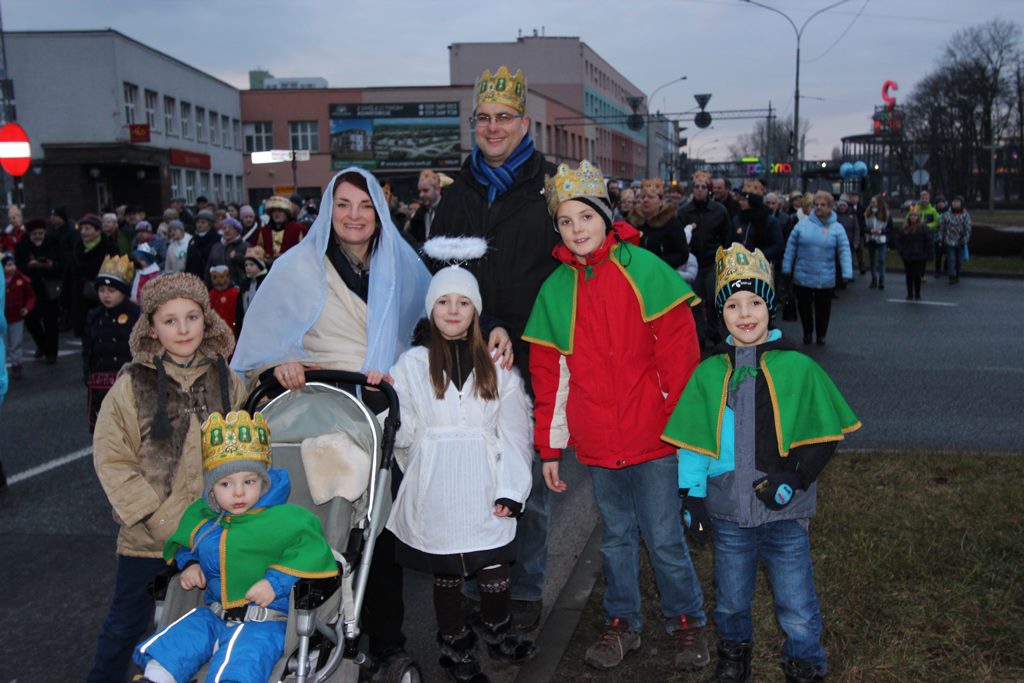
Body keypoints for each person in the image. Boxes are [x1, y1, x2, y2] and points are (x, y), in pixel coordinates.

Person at [231, 167, 432, 676]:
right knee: (315, 524)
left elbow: (430, 327)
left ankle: (386, 640)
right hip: (317, 410)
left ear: (380, 211)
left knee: (376, 536)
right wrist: (282, 362)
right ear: (328, 208)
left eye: (364, 206)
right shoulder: (299, 266)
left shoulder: (404, 266)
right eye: (343, 204)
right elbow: (267, 339)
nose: (354, 216)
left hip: (379, 411)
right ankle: (306, 627)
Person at [524, 160, 708, 672]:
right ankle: (622, 621)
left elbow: (679, 357)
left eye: (585, 216)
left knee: (665, 537)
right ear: (557, 228)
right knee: (616, 537)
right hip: (600, 443)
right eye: (566, 221)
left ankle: (688, 622)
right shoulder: (556, 289)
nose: (577, 229)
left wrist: (682, 429)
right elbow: (552, 380)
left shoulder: (645, 270)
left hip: (655, 437)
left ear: (605, 216)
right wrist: (550, 448)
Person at [664, 243, 861, 683]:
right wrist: (691, 496)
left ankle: (805, 663)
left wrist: (795, 476)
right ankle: (734, 659)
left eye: (755, 302)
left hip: (785, 515)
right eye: (733, 304)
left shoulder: (798, 368)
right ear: (721, 314)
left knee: (796, 601)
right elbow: (693, 441)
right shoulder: (710, 372)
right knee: (731, 599)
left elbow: (823, 436)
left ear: (770, 307)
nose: (745, 313)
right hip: (730, 514)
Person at [429, 65, 560, 632]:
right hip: (467, 359)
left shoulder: (550, 189)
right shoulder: (457, 197)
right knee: (469, 476)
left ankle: (524, 590)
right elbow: (442, 279)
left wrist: (516, 325)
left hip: (532, 357)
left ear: (524, 122)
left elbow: (564, 278)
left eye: (503, 117)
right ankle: (475, 584)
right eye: (483, 118)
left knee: (523, 479)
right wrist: (478, 327)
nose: (492, 127)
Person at [379, 247, 536, 681]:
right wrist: (385, 402)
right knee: (446, 569)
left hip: (485, 480)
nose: (453, 310)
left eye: (463, 303)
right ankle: (454, 645)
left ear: (476, 311)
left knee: (492, 564)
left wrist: (512, 488)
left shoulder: (496, 365)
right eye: (444, 302)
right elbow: (406, 433)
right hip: (437, 483)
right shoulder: (411, 365)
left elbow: (515, 432)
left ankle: (496, 625)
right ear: (431, 310)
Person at [87, 272, 245, 683]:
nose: (182, 329)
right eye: (169, 320)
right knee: (125, 628)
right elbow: (112, 458)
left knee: (209, 626)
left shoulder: (227, 380)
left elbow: (249, 446)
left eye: (191, 317)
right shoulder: (131, 385)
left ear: (207, 321)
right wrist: (154, 519)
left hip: (213, 535)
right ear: (151, 328)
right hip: (148, 540)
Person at [132, 410, 338, 683]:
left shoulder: (287, 519)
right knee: (177, 642)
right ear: (212, 490)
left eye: (249, 482)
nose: (238, 493)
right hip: (214, 615)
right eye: (226, 484)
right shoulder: (205, 519)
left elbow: (312, 552)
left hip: (264, 622)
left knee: (244, 661)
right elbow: (186, 545)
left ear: (263, 483)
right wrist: (190, 563)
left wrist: (274, 583)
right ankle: (156, 678)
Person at [782, 191, 852, 346]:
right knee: (804, 306)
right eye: (816, 204)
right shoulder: (802, 225)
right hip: (803, 273)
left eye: (823, 204)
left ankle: (821, 335)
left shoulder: (837, 228)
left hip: (825, 275)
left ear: (830, 207)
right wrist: (787, 266)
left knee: (823, 308)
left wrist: (847, 272)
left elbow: (844, 250)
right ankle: (807, 332)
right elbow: (791, 247)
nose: (819, 207)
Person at [82, 255, 139, 432]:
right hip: (99, 385)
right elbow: (87, 349)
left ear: (123, 291)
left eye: (111, 290)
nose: (106, 295)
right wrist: (87, 374)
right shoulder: (94, 316)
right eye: (102, 290)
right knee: (104, 432)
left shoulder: (136, 315)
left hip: (128, 383)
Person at [678, 170, 731, 346]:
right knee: (695, 301)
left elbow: (726, 237)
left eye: (703, 187)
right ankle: (699, 335)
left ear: (709, 190)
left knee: (713, 298)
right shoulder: (684, 211)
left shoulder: (719, 211)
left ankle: (713, 330)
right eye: (696, 187)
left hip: (713, 261)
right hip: (692, 263)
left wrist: (723, 256)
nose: (699, 190)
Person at [14, 218, 63, 364]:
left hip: (49, 287)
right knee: (31, 320)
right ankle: (43, 345)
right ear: (29, 234)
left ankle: (52, 353)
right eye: (35, 233)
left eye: (41, 233)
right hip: (30, 289)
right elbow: (19, 267)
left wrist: (50, 265)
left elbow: (61, 264)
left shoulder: (53, 242)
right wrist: (30, 265)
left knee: (51, 321)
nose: (38, 236)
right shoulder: (22, 246)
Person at [71, 213, 119, 337]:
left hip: (103, 296)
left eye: (87, 229)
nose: (83, 232)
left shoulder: (110, 249)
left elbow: (116, 275)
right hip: (81, 297)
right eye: (82, 229)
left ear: (98, 231)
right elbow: (70, 274)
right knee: (85, 334)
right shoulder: (77, 248)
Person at [627, 177, 690, 270]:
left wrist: (658, 263)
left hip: (662, 273)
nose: (645, 200)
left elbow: (682, 254)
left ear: (660, 201)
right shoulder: (632, 222)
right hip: (636, 273)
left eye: (650, 197)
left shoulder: (672, 223)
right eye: (643, 197)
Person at [4, 253, 35, 379]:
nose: (11, 268)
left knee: (15, 342)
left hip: (16, 317)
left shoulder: (21, 280)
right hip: (2, 318)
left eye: (12, 264)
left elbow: (31, 296)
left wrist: (27, 308)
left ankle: (16, 365)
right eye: (7, 265)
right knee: (3, 344)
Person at [252, 195, 305, 265]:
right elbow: (256, 252)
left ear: (286, 213)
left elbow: (304, 252)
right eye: (274, 211)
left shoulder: (298, 229)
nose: (276, 214)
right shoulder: (263, 231)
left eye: (280, 211)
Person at [894, 206, 930, 301]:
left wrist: (927, 254)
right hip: (907, 255)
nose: (913, 218)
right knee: (909, 275)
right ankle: (910, 294)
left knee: (917, 276)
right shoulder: (904, 228)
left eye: (915, 216)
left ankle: (917, 294)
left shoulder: (923, 228)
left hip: (919, 256)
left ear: (918, 217)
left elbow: (928, 241)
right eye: (912, 216)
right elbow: (898, 240)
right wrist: (901, 251)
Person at [404, 168, 444, 246]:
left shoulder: (450, 211)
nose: (421, 195)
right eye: (420, 191)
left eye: (425, 190)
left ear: (437, 189)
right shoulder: (418, 215)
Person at [205, 216, 247, 287]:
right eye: (224, 228)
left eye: (230, 228)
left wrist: (237, 256)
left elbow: (249, 265)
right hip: (217, 288)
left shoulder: (244, 246)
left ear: (237, 231)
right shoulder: (216, 247)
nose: (227, 230)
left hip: (237, 287)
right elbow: (208, 269)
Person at [938, 196, 971, 284]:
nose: (956, 203)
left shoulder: (965, 215)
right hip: (949, 241)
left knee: (959, 260)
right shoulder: (946, 214)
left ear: (961, 203)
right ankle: (951, 276)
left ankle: (957, 274)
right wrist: (940, 239)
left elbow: (968, 229)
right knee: (951, 259)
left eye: (958, 201)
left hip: (960, 241)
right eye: (954, 201)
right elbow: (941, 228)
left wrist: (965, 240)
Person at [236, 246, 267, 333]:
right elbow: (240, 310)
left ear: (260, 265)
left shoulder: (266, 282)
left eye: (252, 264)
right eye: (246, 265)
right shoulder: (245, 284)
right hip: (246, 325)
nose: (248, 268)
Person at [863, 195, 892, 290]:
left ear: (879, 203)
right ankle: (874, 279)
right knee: (872, 260)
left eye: (874, 202)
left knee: (881, 260)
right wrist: (870, 230)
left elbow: (890, 228)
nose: (872, 204)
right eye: (871, 202)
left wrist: (881, 231)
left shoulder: (886, 214)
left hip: (881, 240)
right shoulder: (867, 213)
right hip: (871, 239)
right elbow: (863, 227)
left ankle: (882, 279)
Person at [184, 210, 220, 279]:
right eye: (197, 222)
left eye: (203, 222)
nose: (199, 225)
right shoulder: (193, 240)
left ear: (210, 224)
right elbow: (188, 262)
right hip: (194, 278)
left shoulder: (216, 239)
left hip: (210, 278)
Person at [208, 265, 239, 337]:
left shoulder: (235, 292)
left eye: (224, 277)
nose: (221, 282)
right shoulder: (211, 294)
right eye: (215, 278)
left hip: (232, 328)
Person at [917, 190, 942, 277]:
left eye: (926, 198)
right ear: (920, 199)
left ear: (929, 199)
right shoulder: (915, 209)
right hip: (916, 237)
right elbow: (908, 219)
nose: (924, 200)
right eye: (922, 198)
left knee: (923, 257)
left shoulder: (933, 210)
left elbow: (938, 222)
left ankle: (922, 274)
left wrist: (928, 226)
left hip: (928, 237)